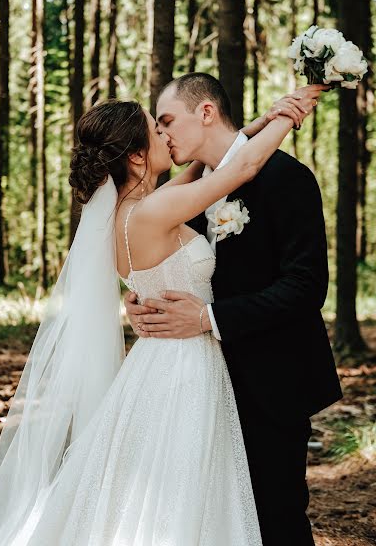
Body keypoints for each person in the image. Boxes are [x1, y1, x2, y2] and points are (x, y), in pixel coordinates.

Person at [0, 81, 323, 545]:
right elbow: (242, 166)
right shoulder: (156, 210)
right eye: (156, 132)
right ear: (137, 157)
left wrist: (251, 126)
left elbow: (207, 170)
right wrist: (288, 112)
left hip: (155, 367)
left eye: (167, 126)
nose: (167, 138)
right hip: (186, 370)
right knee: (189, 494)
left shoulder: (127, 213)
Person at [125, 72, 343, 546]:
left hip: (271, 377)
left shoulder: (286, 178)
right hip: (198, 385)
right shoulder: (189, 193)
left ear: (205, 112)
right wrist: (145, 296)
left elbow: (306, 287)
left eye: (167, 121)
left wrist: (207, 319)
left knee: (275, 514)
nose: (161, 135)